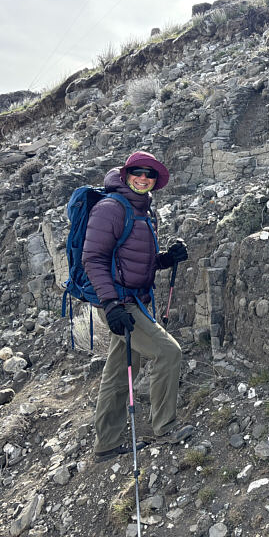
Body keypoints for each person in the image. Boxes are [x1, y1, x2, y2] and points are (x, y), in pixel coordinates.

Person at [83, 151, 194, 461]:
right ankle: (165, 427)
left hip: (133, 301)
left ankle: (106, 444)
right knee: (169, 352)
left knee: (120, 373)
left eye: (150, 174)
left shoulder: (145, 213)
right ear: (126, 174)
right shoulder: (110, 209)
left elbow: (134, 262)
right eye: (138, 172)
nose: (144, 178)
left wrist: (166, 260)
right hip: (120, 304)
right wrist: (109, 304)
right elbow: (93, 259)